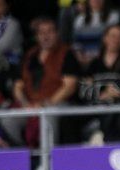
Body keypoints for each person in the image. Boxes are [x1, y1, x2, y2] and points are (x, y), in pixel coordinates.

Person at [12, 17, 79, 146]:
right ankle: (25, 158)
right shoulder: (29, 55)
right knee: (9, 120)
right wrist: (25, 105)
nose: (45, 36)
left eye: (49, 32)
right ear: (37, 36)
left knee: (48, 115)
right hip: (30, 105)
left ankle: (48, 160)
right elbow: (18, 86)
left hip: (57, 103)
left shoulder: (67, 53)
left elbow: (69, 86)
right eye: (41, 33)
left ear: (56, 34)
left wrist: (46, 104)